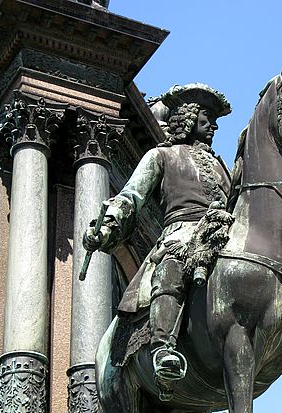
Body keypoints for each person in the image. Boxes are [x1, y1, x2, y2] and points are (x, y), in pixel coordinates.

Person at [83, 83, 232, 387]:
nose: (213, 125)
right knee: (171, 266)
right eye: (207, 117)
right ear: (188, 119)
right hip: (182, 232)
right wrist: (108, 225)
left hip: (222, 232)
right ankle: (163, 348)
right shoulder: (161, 156)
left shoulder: (221, 166)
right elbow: (130, 197)